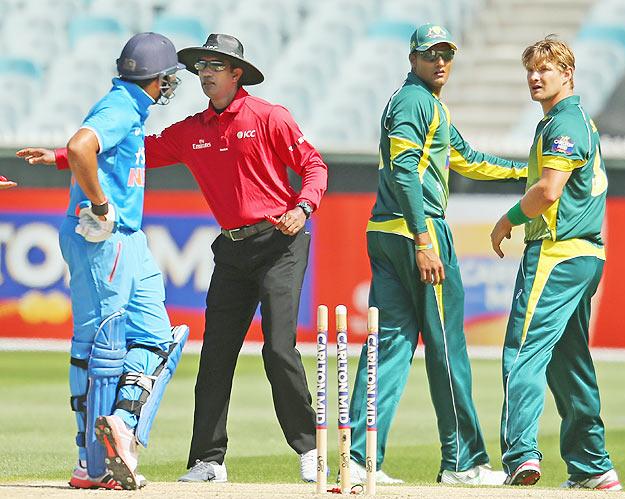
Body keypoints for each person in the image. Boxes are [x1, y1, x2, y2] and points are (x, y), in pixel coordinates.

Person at [20, 33, 328, 483]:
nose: (203, 73)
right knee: (215, 354)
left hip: (280, 241)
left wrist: (303, 207)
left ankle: (308, 452)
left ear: (236, 74)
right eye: (200, 66)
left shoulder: (270, 117)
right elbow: (129, 150)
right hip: (233, 247)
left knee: (279, 347)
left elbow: (314, 165)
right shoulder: (191, 130)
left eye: (214, 66)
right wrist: (58, 158)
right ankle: (209, 460)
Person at [347, 23, 527, 486]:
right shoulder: (414, 101)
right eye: (431, 55)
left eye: (447, 54)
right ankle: (462, 461)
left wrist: (530, 172)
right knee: (447, 348)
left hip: (388, 233)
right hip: (416, 233)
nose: (441, 62)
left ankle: (359, 457)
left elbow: (467, 159)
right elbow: (405, 171)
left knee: (387, 348)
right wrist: (425, 238)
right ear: (413, 59)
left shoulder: (428, 105)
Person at [17, 33, 189, 490]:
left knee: (159, 339)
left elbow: (86, 153)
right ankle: (90, 465)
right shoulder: (119, 106)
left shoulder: (131, 108)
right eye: (168, 78)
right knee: (102, 347)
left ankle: (121, 425)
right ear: (158, 80)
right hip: (103, 240)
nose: (170, 85)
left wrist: (59, 160)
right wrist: (100, 205)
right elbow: (81, 147)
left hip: (130, 241)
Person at [490, 36, 621, 490]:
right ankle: (593, 465)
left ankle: (521, 455)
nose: (535, 77)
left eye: (545, 69)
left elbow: (549, 190)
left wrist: (506, 220)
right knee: (570, 361)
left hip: (557, 252)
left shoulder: (564, 123)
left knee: (523, 351)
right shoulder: (577, 119)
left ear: (568, 73)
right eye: (531, 69)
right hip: (586, 256)